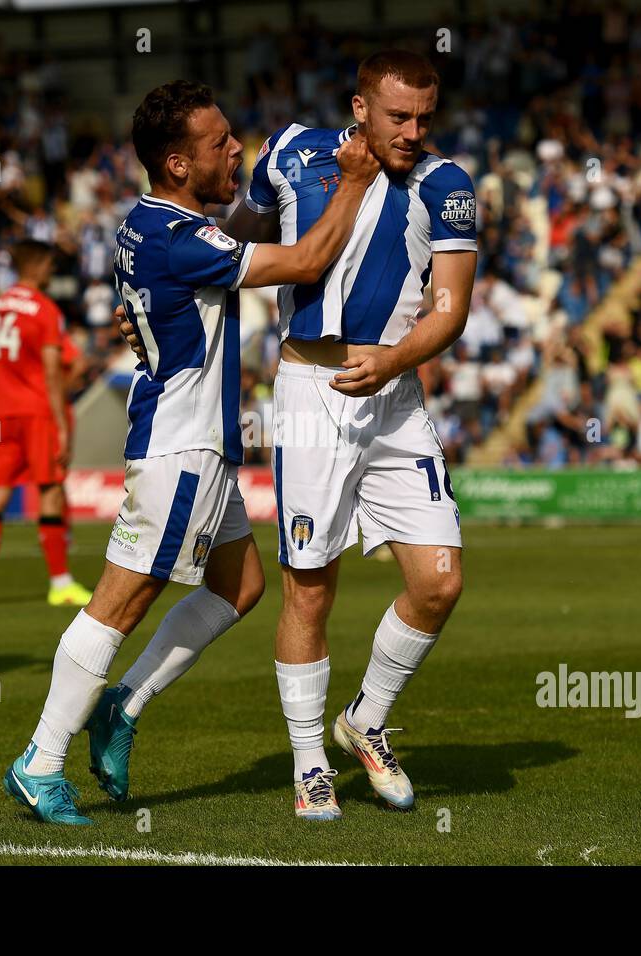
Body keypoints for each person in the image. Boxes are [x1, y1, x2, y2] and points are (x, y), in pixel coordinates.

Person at [2, 80, 380, 825]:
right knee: (122, 602)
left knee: (240, 589)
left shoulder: (150, 225)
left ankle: (122, 707)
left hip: (199, 444)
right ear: (177, 164)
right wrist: (357, 183)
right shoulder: (181, 239)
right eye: (219, 144)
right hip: (181, 446)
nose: (237, 149)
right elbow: (307, 262)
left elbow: (202, 265)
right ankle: (41, 759)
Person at [120, 50, 476, 820]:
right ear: (359, 108)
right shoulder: (289, 152)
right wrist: (154, 304)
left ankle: (366, 722)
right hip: (312, 394)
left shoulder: (449, 186)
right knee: (308, 588)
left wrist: (393, 361)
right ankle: (310, 763)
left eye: (425, 117)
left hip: (396, 392)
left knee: (439, 580)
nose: (414, 131)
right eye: (397, 116)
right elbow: (230, 248)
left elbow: (450, 308)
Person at [0, 240, 94, 607]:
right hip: (36, 411)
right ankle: (60, 583)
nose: (52, 271)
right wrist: (61, 425)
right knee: (49, 489)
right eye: (49, 265)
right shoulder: (44, 310)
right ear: (38, 265)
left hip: (1, 412)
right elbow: (51, 371)